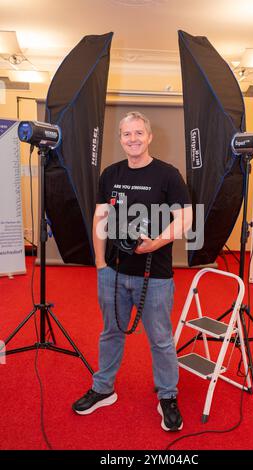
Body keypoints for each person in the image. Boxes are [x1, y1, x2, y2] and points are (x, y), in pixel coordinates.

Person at [72, 111, 192, 431]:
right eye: (127, 134)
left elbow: (186, 220)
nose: (133, 139)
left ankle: (167, 395)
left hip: (156, 275)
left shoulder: (168, 175)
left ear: (149, 137)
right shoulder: (110, 174)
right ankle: (103, 388)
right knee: (110, 332)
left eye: (139, 133)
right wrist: (100, 264)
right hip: (112, 271)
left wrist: (157, 243)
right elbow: (100, 219)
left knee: (160, 339)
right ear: (120, 138)